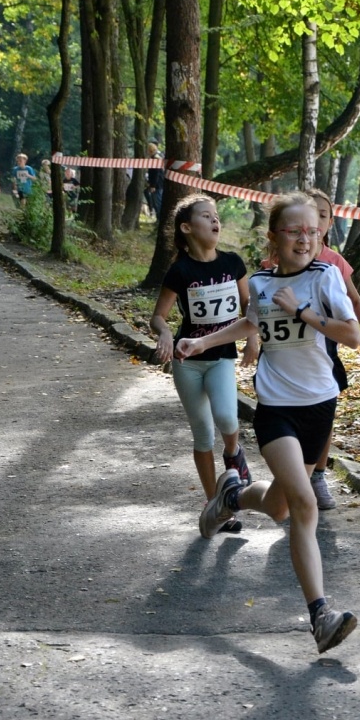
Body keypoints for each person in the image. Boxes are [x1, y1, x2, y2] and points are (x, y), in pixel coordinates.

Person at [176, 192, 360, 655]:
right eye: (294, 231)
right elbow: (248, 323)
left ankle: (231, 495)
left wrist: (302, 312)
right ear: (274, 237)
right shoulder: (258, 282)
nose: (305, 238)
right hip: (277, 407)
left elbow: (353, 334)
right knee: (303, 504)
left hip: (321, 405)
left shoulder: (325, 279)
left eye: (312, 232)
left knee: (279, 506)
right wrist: (202, 344)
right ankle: (321, 615)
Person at [150, 195, 253, 532]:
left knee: (225, 416)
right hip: (188, 362)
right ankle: (218, 505)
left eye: (217, 216)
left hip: (221, 357)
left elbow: (250, 306)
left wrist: (253, 338)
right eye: (206, 216)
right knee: (203, 434)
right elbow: (158, 316)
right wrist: (164, 334)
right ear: (186, 227)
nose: (215, 221)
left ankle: (234, 452)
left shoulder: (233, 263)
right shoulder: (180, 270)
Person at [307, 188, 360, 509]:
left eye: (322, 215)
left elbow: (356, 301)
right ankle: (295, 473)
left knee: (324, 416)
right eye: (309, 214)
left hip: (325, 352)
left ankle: (318, 475)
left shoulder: (334, 262)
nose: (315, 221)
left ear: (330, 221)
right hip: (285, 354)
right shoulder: (278, 259)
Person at [145, 141, 164, 219]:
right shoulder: (155, 157)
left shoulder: (155, 158)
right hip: (157, 184)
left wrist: (153, 185)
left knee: (157, 203)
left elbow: (156, 173)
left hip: (157, 185)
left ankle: (160, 220)